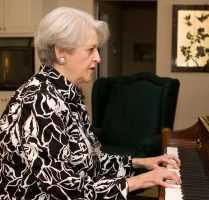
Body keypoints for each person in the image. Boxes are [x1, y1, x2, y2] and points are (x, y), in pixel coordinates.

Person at [0, 7, 181, 200]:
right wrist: (143, 180)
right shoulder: (39, 100)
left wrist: (141, 163)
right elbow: (65, 189)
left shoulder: (69, 94)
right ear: (61, 52)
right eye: (90, 49)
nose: (98, 58)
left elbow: (91, 163)